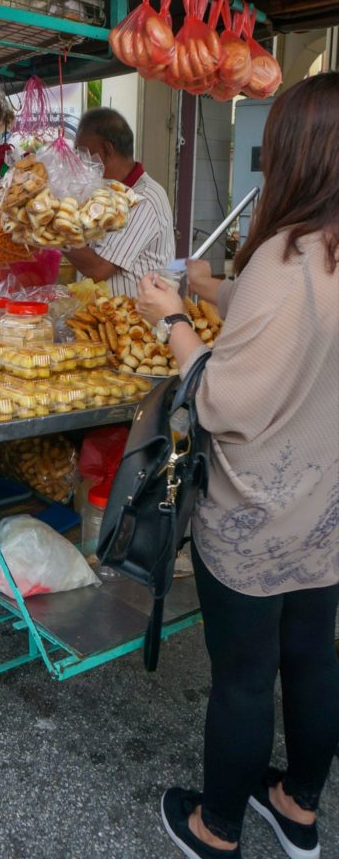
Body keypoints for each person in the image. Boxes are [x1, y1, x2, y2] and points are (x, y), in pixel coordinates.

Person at [136, 72, 339, 859]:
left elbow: (222, 400)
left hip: (257, 511)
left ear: (294, 154)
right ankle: (295, 806)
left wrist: (172, 318)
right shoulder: (320, 253)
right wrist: (212, 288)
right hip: (324, 508)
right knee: (312, 659)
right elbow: (289, 328)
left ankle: (214, 829)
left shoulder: (284, 260)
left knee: (245, 677)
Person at [63, 107, 175, 296]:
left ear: (107, 150)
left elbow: (98, 270)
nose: (81, 162)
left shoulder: (143, 198)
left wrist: (54, 232)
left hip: (134, 313)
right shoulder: (104, 193)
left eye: (83, 153)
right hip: (98, 309)